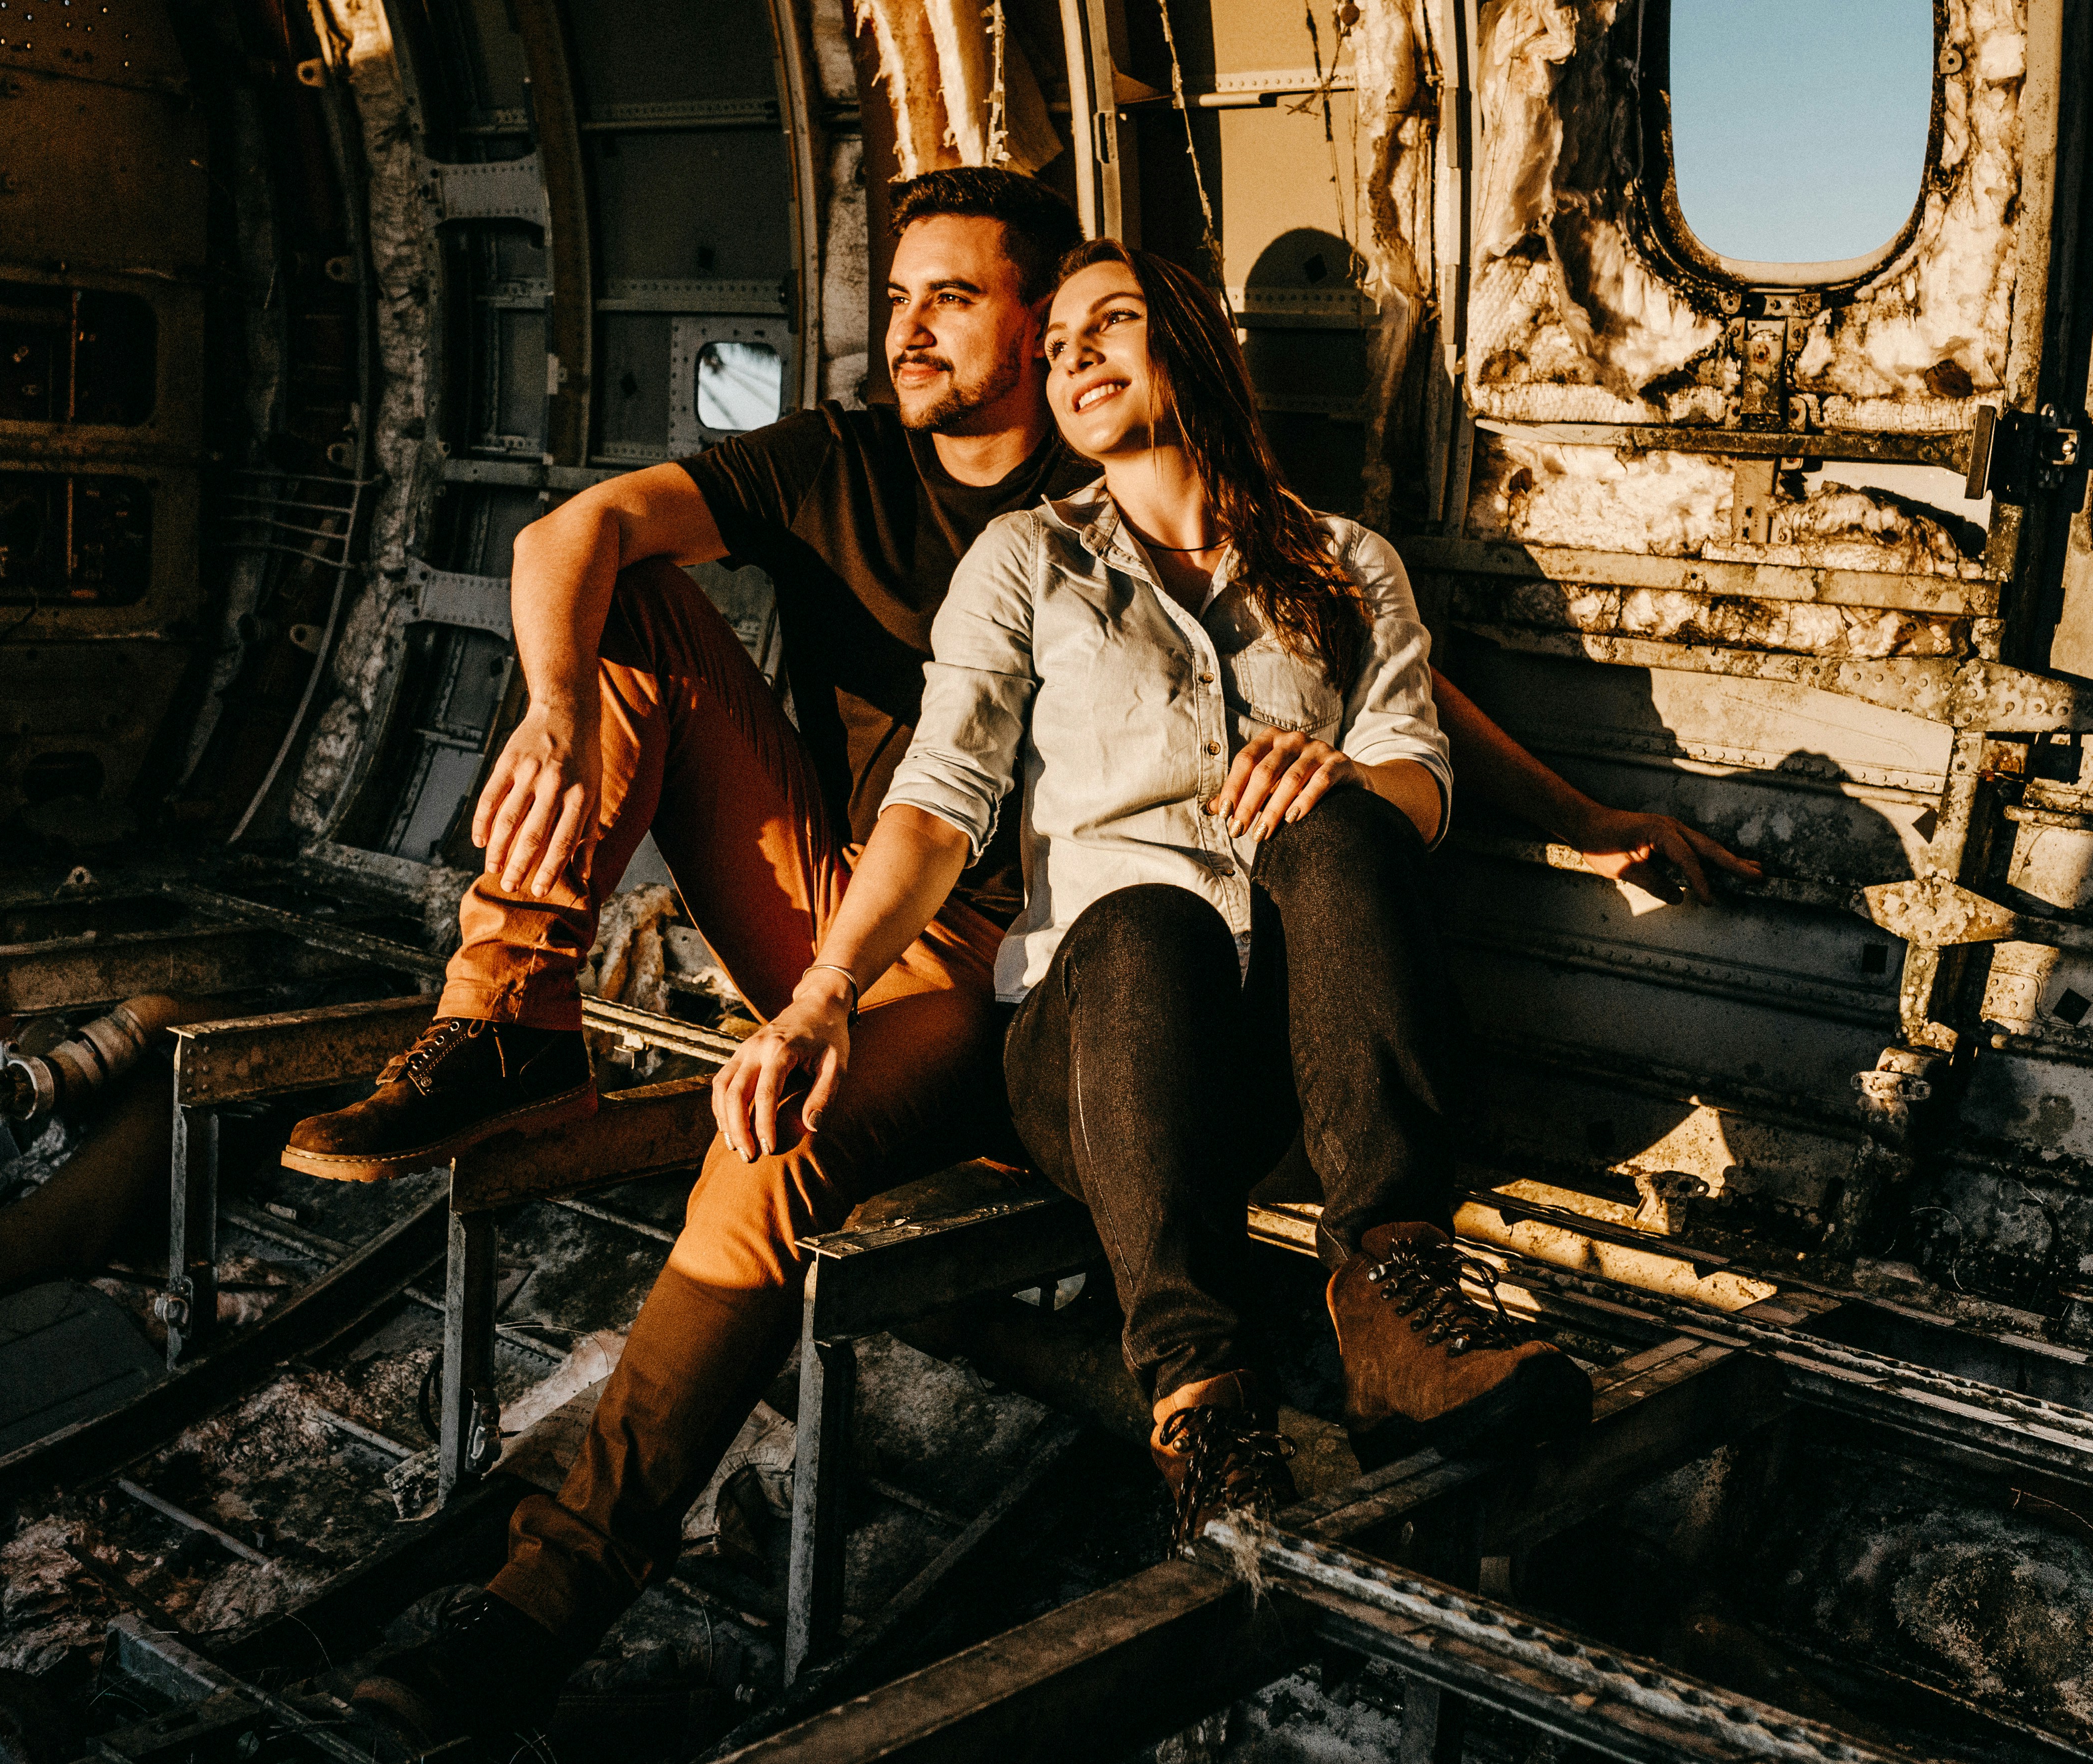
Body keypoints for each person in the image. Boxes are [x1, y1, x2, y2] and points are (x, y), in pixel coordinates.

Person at [297, 170, 1755, 1748]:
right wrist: (578, 728)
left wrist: (1579, 813)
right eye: (904, 294)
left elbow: (1384, 694)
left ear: (1085, 324)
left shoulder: (1218, 510)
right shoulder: (873, 472)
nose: (907, 329)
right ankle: (510, 1039)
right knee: (617, 612)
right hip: (878, 908)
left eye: (961, 302)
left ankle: (538, 1610)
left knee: (831, 1129)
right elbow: (606, 551)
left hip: (1071, 962)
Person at [713, 236, 1595, 1549]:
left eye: (1107, 325)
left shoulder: (1347, 561)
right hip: (1095, 1057)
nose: (1074, 359)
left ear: (1194, 341)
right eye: (1054, 345)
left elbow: (1420, 776)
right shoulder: (1028, 560)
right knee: (1144, 920)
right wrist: (822, 994)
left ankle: (1392, 1294)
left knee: (1344, 815)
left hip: (1294, 1073)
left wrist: (1344, 773)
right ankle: (1202, 1401)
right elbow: (939, 800)